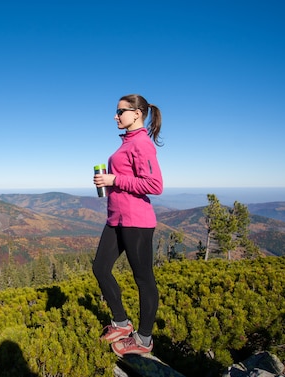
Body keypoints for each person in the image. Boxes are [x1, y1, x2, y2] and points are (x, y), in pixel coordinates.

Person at [92, 94, 163, 356]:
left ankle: (144, 339)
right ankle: (121, 323)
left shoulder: (142, 144)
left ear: (137, 113)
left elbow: (155, 185)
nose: (116, 116)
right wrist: (109, 182)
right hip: (116, 219)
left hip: (137, 222)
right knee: (100, 268)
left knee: (144, 279)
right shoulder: (126, 144)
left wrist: (114, 179)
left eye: (120, 111)